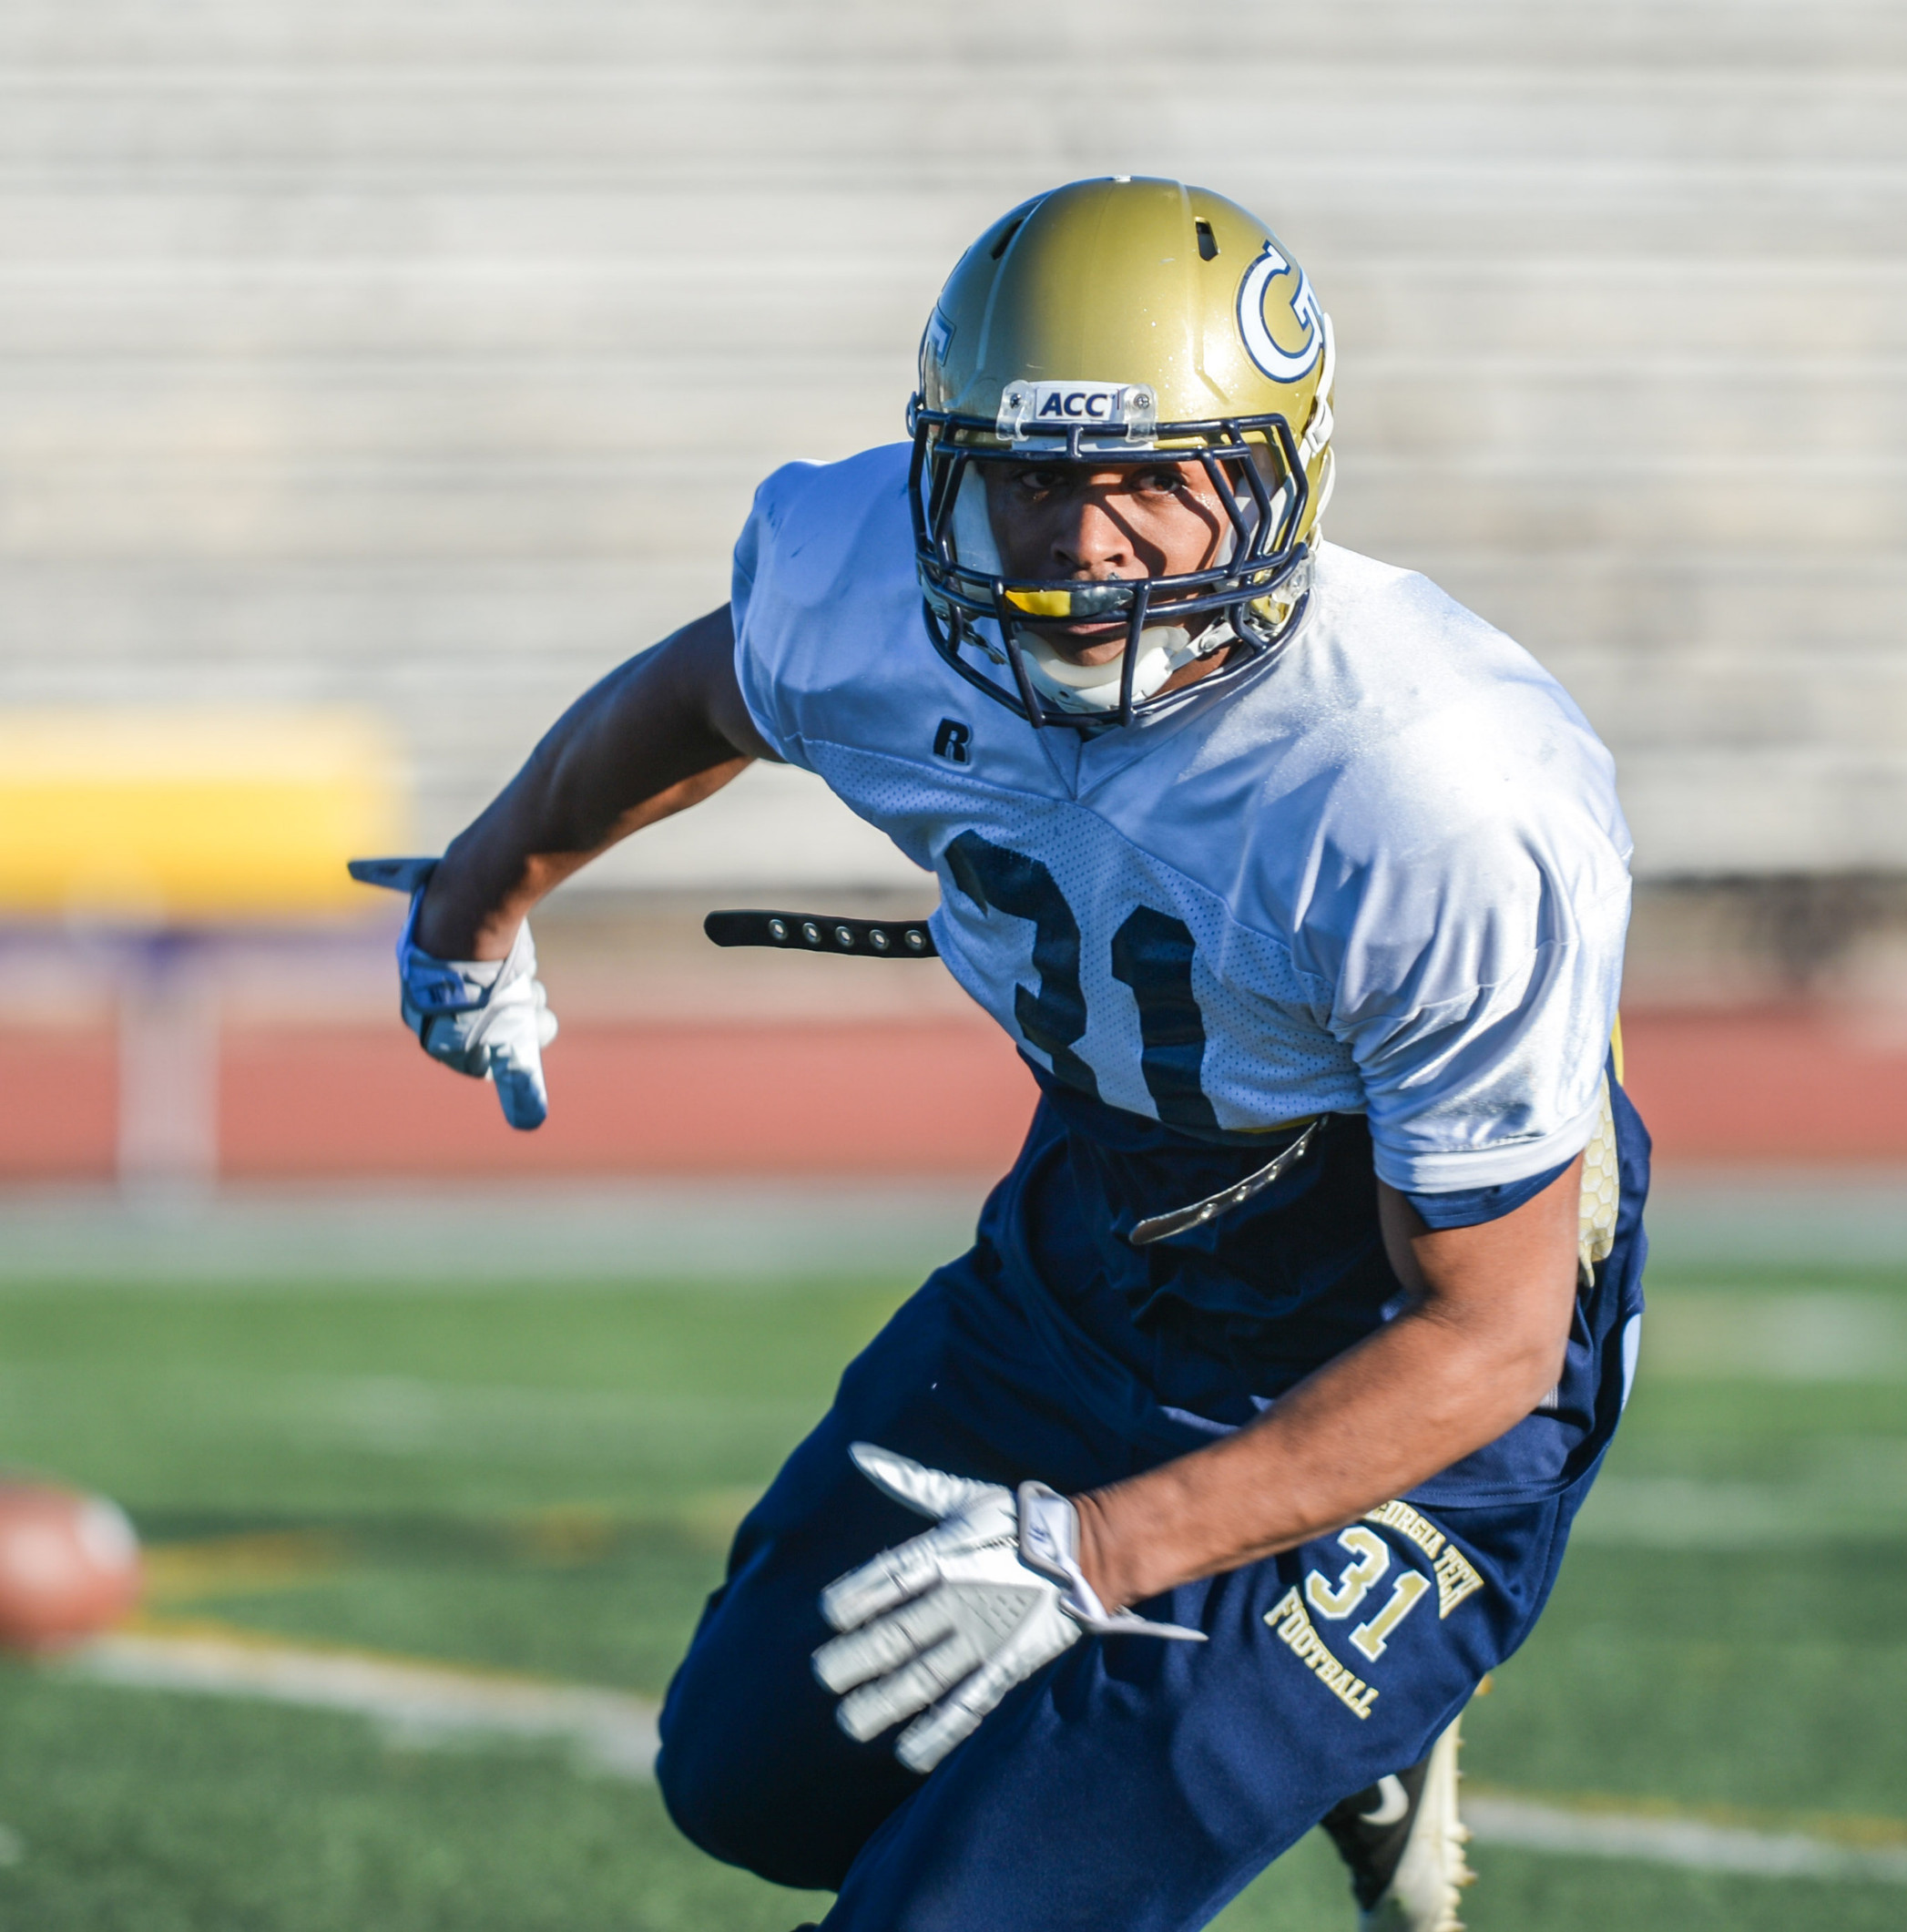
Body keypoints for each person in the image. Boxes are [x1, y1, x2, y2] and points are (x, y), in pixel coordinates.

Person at [355, 176, 1648, 1932]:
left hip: (1383, 1309)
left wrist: (1097, 1552)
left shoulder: (1434, 794)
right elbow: (704, 692)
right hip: (1104, 1225)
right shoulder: (869, 583)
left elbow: (1487, 1337)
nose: (1086, 538)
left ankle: (1355, 1685)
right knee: (744, 1775)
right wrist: (478, 899)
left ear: (1279, 473)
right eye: (1038, 473)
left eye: (1152, 477)